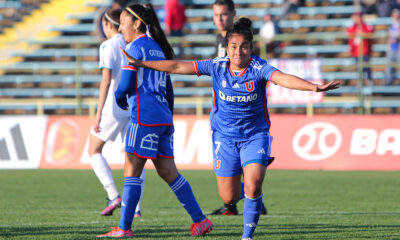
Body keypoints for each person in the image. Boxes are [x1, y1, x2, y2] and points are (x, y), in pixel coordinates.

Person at [120, 17, 340, 239]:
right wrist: (142, 63)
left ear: (251, 48)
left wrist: (314, 88)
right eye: (233, 47)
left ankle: (247, 234)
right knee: (229, 197)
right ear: (227, 48)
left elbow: (282, 78)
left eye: (244, 46)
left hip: (255, 135)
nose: (238, 52)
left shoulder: (258, 68)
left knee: (253, 186)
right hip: (224, 138)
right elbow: (177, 66)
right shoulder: (217, 66)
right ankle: (249, 175)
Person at [96, 3, 213, 238]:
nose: (120, 30)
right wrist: (166, 114)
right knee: (169, 171)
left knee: (132, 170)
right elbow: (169, 88)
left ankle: (124, 228)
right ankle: (200, 220)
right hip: (163, 118)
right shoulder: (157, 48)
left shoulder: (134, 48)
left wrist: (119, 100)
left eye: (124, 24)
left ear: (137, 24)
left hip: (144, 117)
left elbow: (125, 85)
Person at [212, 0, 268, 216]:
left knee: (247, 156)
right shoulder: (221, 39)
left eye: (224, 15)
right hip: (223, 107)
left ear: (233, 14)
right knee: (228, 179)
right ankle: (232, 202)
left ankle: (251, 197)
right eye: (216, 14)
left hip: (246, 107)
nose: (220, 19)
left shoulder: (243, 41)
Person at [88, 8, 145, 218]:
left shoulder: (107, 45)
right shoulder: (132, 42)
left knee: (93, 149)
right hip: (133, 104)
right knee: (134, 155)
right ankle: (136, 207)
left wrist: (98, 113)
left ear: (107, 25)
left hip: (114, 106)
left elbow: (105, 81)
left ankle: (114, 195)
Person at [347, 12, 374, 86]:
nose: (357, 19)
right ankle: (360, 86)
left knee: (366, 68)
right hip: (356, 52)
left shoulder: (366, 26)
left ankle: (369, 84)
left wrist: (362, 33)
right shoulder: (353, 27)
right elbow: (349, 34)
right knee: (359, 70)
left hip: (365, 51)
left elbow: (371, 31)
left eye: (359, 17)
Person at [386, 9, 400, 85]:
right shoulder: (391, 25)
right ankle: (389, 82)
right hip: (392, 48)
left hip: (398, 48)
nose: (395, 16)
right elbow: (389, 38)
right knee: (390, 67)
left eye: (396, 15)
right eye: (394, 15)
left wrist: (395, 37)